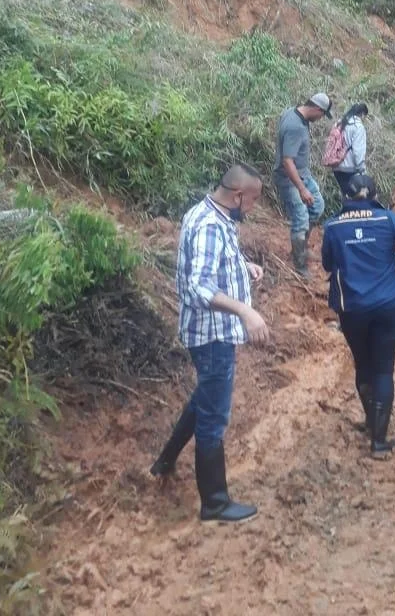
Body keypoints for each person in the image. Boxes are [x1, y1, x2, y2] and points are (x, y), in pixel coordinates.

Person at [150, 163, 270, 524]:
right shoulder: (208, 226)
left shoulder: (209, 214)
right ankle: (215, 503)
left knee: (203, 398)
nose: (250, 209)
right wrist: (246, 312)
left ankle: (165, 460)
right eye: (251, 202)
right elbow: (198, 288)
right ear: (237, 195)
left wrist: (242, 264)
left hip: (209, 332)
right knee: (213, 418)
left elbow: (209, 263)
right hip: (212, 335)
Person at [321, 174, 395, 458]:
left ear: (346, 195)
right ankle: (379, 442)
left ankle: (371, 421)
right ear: (375, 195)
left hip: (352, 307)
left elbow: (327, 263)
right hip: (388, 304)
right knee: (383, 369)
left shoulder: (333, 226)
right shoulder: (388, 220)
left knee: (364, 365)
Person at [273, 92, 331, 278]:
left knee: (317, 206)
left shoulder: (292, 112)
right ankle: (299, 265)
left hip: (303, 174)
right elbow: (287, 161)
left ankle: (302, 248)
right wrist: (302, 189)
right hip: (290, 179)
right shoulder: (295, 126)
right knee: (300, 218)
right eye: (322, 115)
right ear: (317, 109)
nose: (321, 119)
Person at [332, 102, 369, 195]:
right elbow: (358, 151)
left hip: (336, 166)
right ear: (362, 114)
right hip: (350, 168)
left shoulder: (339, 123)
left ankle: (346, 209)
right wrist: (362, 170)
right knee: (357, 196)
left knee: (345, 194)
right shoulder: (358, 127)